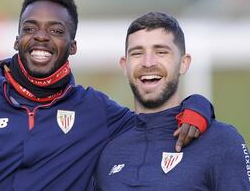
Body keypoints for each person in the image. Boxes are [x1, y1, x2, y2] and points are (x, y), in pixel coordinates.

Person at [0, 0, 213, 190]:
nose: (41, 37)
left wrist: (199, 106)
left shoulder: (95, 110)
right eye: (30, 28)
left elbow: (155, 125)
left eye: (56, 30)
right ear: (17, 40)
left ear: (72, 46)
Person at [94, 12, 250, 190]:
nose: (148, 62)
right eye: (137, 53)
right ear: (125, 65)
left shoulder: (221, 141)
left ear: (183, 63)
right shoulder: (106, 148)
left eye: (161, 52)